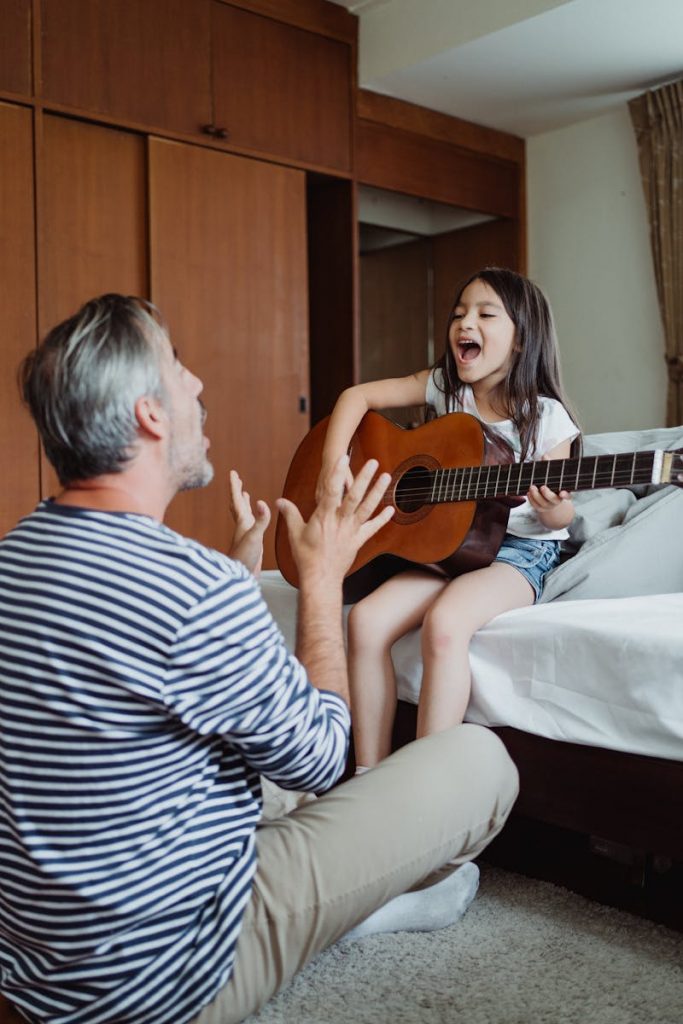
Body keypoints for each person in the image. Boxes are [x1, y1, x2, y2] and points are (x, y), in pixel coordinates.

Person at [0, 294, 518, 1024]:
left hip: (34, 969)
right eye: (179, 369)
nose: (198, 387)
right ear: (150, 415)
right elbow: (319, 758)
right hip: (163, 982)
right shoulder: (190, 585)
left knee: (251, 770)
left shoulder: (12, 559)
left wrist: (242, 585)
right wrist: (322, 583)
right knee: (479, 759)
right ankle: (342, 917)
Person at [319, 267, 580, 772]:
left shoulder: (546, 417)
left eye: (485, 314)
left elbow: (561, 513)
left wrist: (554, 510)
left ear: (522, 340)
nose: (466, 322)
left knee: (444, 625)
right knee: (367, 622)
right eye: (460, 313)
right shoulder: (444, 388)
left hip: (518, 549)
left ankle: (423, 785)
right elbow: (356, 397)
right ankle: (369, 775)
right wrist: (334, 468)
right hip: (449, 542)